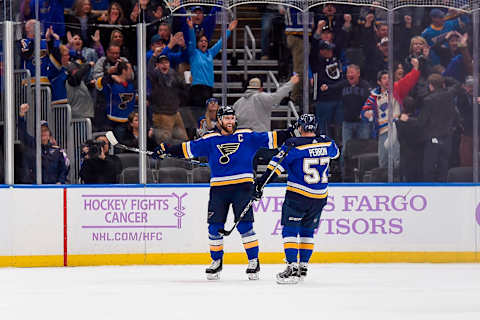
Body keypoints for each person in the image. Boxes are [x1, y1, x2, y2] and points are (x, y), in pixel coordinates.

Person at [151, 106, 297, 280]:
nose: (230, 121)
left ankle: (253, 261)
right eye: (226, 119)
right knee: (214, 227)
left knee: (245, 226)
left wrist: (292, 131)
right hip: (219, 189)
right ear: (219, 121)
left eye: (232, 118)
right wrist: (165, 149)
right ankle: (216, 262)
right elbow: (186, 148)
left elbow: (273, 137)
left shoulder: (247, 135)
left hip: (243, 187)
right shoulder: (209, 139)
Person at [253, 114, 339, 284]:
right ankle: (303, 267)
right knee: (308, 231)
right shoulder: (328, 142)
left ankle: (292, 267)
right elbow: (336, 154)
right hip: (320, 196)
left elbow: (275, 169)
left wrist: (259, 185)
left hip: (298, 195)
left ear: (300, 127)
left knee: (290, 230)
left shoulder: (293, 145)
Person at [361, 58, 420, 169]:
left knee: (396, 161)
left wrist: (415, 68)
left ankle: (398, 184)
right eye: (384, 78)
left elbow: (409, 80)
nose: (387, 80)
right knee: (383, 163)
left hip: (395, 129)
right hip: (382, 132)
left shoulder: (396, 89)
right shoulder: (373, 96)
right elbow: (364, 111)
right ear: (379, 82)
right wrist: (366, 114)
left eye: (389, 77)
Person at [187, 18, 237, 109]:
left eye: (205, 41)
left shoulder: (210, 53)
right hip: (197, 88)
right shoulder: (193, 53)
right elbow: (192, 41)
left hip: (208, 88)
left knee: (207, 115)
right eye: (201, 41)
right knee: (197, 113)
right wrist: (191, 28)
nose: (203, 43)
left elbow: (220, 43)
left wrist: (229, 30)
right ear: (197, 43)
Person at [18, 103, 68, 184]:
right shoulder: (32, 144)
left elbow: (63, 168)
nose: (43, 133)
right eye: (40, 130)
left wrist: (60, 181)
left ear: (49, 133)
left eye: (45, 130)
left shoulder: (57, 150)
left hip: (53, 188)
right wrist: (21, 115)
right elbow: (22, 132)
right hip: (35, 188)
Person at [234, 74, 299, 132]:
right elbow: (277, 96)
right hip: (260, 137)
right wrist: (291, 83)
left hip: (242, 138)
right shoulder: (261, 97)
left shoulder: (237, 103)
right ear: (261, 89)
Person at [95, 60, 136, 130]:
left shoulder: (131, 84)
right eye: (130, 69)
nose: (132, 71)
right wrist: (110, 74)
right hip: (113, 122)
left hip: (129, 122)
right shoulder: (111, 83)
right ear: (124, 71)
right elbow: (98, 84)